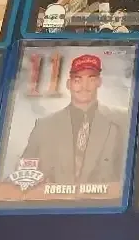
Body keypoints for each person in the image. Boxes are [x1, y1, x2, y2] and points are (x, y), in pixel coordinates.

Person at [17, 55, 128, 186]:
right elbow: (22, 176)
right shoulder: (45, 126)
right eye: (77, 80)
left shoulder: (122, 119)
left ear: (99, 82)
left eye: (91, 79)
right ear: (68, 84)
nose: (84, 86)